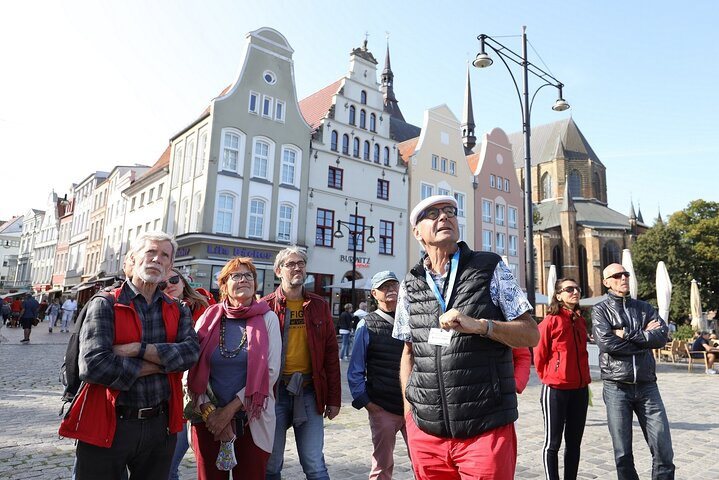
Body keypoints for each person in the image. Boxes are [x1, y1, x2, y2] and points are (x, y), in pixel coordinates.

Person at [393, 195, 539, 480]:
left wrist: (482, 326)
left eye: (449, 211)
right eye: (432, 214)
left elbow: (531, 333)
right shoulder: (409, 284)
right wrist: (409, 413)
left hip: (485, 428)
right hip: (426, 433)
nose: (444, 217)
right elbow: (409, 352)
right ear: (416, 232)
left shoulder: (490, 267)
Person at [59, 231, 200, 479]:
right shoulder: (105, 303)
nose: (157, 259)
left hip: (160, 425)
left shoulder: (177, 309)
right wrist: (164, 363)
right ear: (133, 259)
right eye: (150, 252)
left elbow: (190, 355)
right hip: (110, 421)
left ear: (170, 268)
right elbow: (94, 366)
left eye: (164, 255)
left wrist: (137, 349)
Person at [188, 257, 281, 480]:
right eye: (236, 276)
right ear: (224, 285)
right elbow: (191, 367)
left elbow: (270, 371)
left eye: (248, 275)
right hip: (207, 419)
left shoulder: (268, 318)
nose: (243, 280)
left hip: (252, 419)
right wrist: (210, 412)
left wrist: (228, 413)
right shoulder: (208, 317)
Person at [262, 246, 341, 480]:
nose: (297, 267)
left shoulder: (319, 305)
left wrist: (334, 399)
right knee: (271, 464)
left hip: (309, 391)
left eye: (301, 263)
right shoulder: (265, 307)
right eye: (290, 264)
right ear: (278, 271)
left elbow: (330, 354)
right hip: (274, 393)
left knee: (315, 463)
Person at [592, 263, 674, 480]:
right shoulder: (600, 310)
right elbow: (607, 344)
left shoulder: (644, 308)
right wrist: (642, 339)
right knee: (623, 454)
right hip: (616, 386)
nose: (623, 278)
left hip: (647, 386)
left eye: (625, 274)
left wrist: (626, 333)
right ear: (606, 282)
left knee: (664, 451)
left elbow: (660, 337)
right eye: (616, 275)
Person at [348, 270, 408, 480]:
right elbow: (355, 370)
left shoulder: (411, 319)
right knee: (382, 466)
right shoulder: (367, 324)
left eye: (393, 285)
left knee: (425, 461)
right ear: (374, 293)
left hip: (414, 407)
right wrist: (367, 403)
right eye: (384, 287)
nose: (390, 289)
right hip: (383, 406)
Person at [534, 278, 591, 480]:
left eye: (577, 288)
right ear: (558, 295)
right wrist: (550, 377)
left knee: (574, 443)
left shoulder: (580, 321)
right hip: (556, 389)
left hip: (580, 389)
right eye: (569, 289)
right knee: (553, 442)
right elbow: (539, 354)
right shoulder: (550, 321)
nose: (575, 292)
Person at [164, 268, 215, 480]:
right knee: (166, 466)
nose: (169, 285)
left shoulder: (207, 307)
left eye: (174, 279)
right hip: (170, 395)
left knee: (206, 465)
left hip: (201, 394)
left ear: (184, 282)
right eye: (162, 284)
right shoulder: (157, 311)